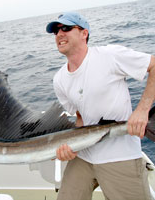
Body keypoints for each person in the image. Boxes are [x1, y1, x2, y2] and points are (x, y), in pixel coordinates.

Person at [46, 12, 155, 200]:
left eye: (66, 28)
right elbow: (81, 118)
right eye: (56, 31)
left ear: (84, 33)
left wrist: (142, 111)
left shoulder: (109, 55)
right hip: (84, 156)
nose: (59, 34)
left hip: (119, 155)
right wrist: (72, 147)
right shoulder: (59, 79)